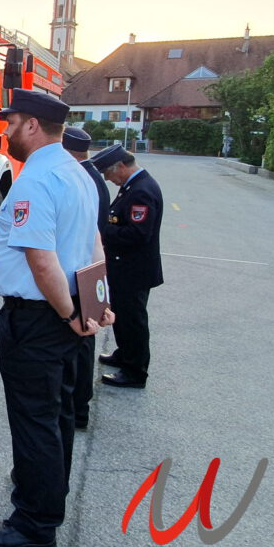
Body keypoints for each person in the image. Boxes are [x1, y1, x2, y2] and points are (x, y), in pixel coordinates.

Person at [0, 89, 114, 547]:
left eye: (10, 122)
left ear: (31, 125)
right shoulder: (78, 174)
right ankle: (48, 489)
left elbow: (41, 259)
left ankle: (35, 523)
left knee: (34, 418)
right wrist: (95, 304)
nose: (6, 130)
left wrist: (69, 314)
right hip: (69, 310)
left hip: (40, 318)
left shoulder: (35, 179)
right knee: (56, 414)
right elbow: (92, 242)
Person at [90, 144, 163, 389]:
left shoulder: (141, 191)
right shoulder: (132, 187)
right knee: (123, 317)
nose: (109, 180)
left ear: (121, 166)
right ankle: (125, 354)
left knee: (133, 321)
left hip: (134, 269)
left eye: (110, 174)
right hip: (125, 267)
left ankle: (135, 371)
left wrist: (103, 229)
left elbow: (137, 234)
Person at [61, 126, 110, 430]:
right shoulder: (91, 175)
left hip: (82, 273)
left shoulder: (82, 178)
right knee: (83, 346)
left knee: (80, 347)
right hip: (89, 272)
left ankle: (78, 409)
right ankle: (79, 406)